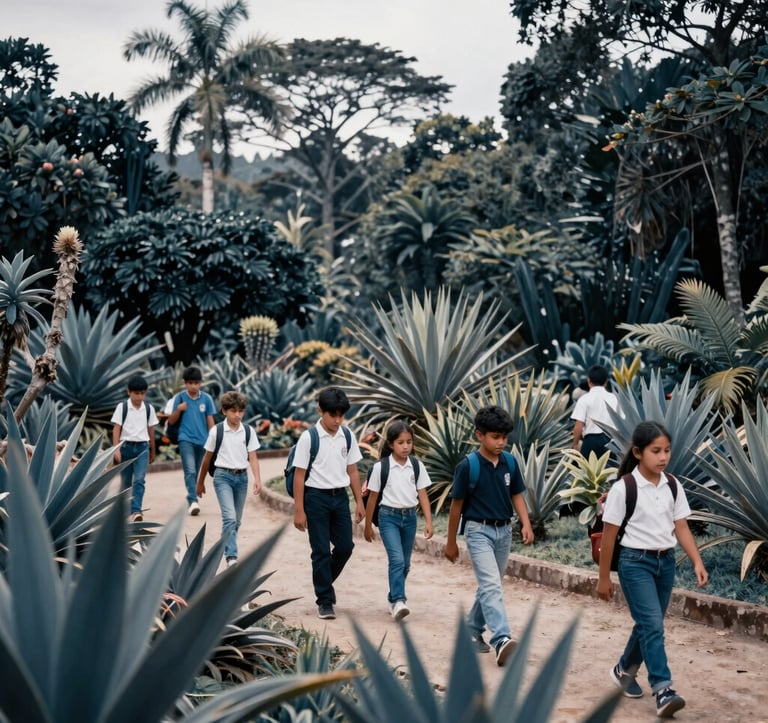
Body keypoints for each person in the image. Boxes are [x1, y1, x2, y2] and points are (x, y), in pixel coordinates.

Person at [597, 421, 708, 719]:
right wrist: (604, 577)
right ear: (638, 452)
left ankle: (623, 670)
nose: (663, 457)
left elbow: (681, 526)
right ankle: (663, 688)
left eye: (667, 451)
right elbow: (609, 536)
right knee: (653, 625)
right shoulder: (624, 488)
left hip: (665, 563)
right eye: (655, 451)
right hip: (635, 563)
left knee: (650, 623)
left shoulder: (672, 484)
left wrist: (696, 560)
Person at [444, 405, 534, 667]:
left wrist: (525, 524)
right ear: (479, 435)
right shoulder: (468, 466)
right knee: (492, 585)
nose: (501, 442)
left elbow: (517, 494)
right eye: (495, 437)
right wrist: (451, 542)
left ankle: (472, 630)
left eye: (504, 437)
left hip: (504, 531)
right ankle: (502, 639)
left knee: (491, 584)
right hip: (477, 531)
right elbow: (456, 506)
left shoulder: (510, 462)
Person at [292, 386, 364, 620]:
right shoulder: (308, 438)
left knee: (345, 547)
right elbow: (299, 476)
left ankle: (322, 582)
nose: (337, 420)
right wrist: (299, 510)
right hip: (315, 499)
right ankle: (324, 600)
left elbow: (352, 470)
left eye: (341, 415)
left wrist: (359, 502)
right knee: (321, 551)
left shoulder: (347, 435)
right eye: (332, 415)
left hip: (339, 498)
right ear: (320, 411)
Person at [363, 420, 434, 621]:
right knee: (397, 560)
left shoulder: (416, 466)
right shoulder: (381, 467)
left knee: (406, 564)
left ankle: (392, 597)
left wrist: (428, 522)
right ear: (391, 444)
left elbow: (423, 494)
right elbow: (373, 498)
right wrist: (367, 526)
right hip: (388, 518)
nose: (405, 446)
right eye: (401, 442)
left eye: (409, 442)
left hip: (410, 518)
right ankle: (399, 601)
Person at [196, 390, 262, 567]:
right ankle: (231, 556)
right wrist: (200, 482)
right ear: (224, 411)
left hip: (242, 478)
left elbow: (253, 456)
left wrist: (257, 478)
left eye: (241, 411)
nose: (238, 415)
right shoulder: (216, 431)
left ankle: (224, 545)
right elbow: (207, 459)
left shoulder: (248, 431)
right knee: (230, 518)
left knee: (236, 521)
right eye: (233, 411)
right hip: (222, 477)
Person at [166, 365, 216, 515]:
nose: (193, 386)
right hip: (185, 439)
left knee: (197, 471)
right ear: (185, 383)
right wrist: (179, 410)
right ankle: (193, 500)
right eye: (190, 383)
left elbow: (210, 420)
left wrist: (214, 439)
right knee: (190, 470)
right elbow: (172, 421)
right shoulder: (180, 398)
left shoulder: (206, 399)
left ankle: (190, 496)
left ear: (200, 383)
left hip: (203, 441)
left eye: (196, 383)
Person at [110, 373, 159, 523]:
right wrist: (116, 449)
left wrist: (152, 449)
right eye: (136, 393)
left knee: (139, 480)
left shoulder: (149, 409)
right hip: (125, 447)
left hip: (142, 448)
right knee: (126, 481)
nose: (139, 397)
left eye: (142, 393)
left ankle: (136, 510)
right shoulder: (122, 407)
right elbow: (116, 428)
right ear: (129, 392)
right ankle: (124, 509)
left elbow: (151, 429)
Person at [571, 364, 619, 459]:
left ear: (589, 381)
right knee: (611, 471)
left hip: (591, 442)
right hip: (611, 442)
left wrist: (575, 445)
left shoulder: (584, 399)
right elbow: (622, 424)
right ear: (606, 382)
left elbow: (578, 426)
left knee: (586, 472)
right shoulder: (614, 399)